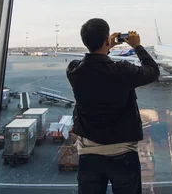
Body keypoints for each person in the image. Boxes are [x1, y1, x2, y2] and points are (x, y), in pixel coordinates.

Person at [66, 18, 160, 194]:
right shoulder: (122, 70)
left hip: (88, 152)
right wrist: (137, 46)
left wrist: (106, 46)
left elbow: (93, 62)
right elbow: (153, 72)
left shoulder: (74, 70)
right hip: (122, 152)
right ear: (107, 40)